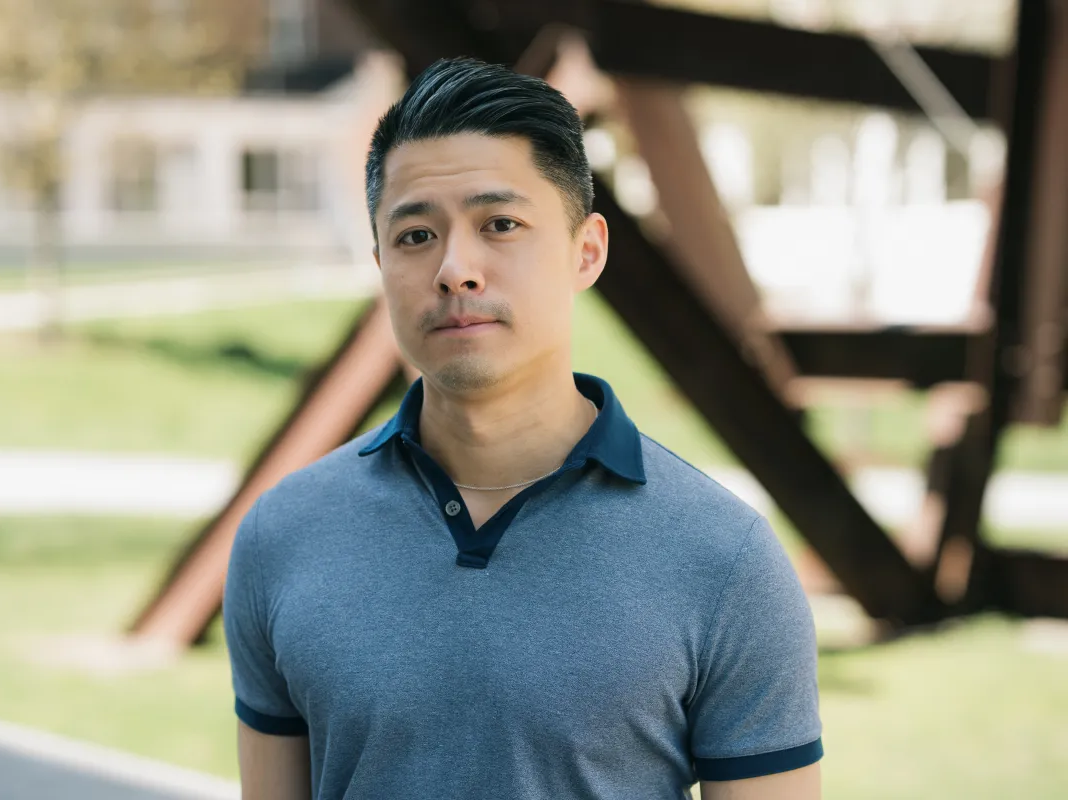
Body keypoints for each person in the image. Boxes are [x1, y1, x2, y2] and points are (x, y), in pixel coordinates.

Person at [224, 57, 822, 800]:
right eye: (415, 236)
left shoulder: (725, 560)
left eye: (500, 224)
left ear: (587, 251)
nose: (455, 268)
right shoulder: (282, 537)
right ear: (380, 262)